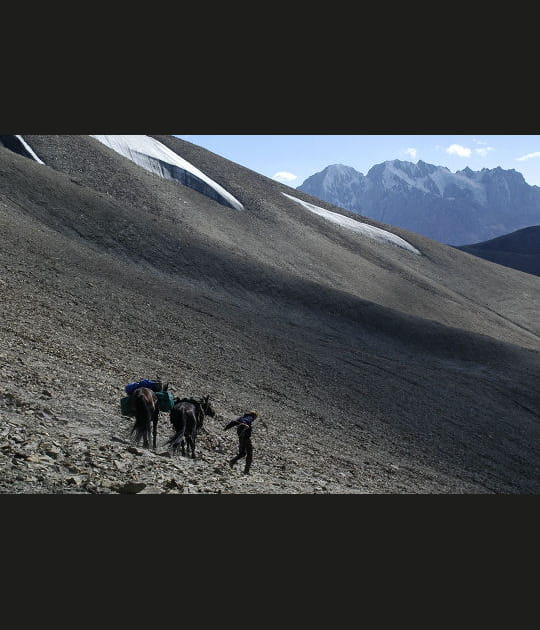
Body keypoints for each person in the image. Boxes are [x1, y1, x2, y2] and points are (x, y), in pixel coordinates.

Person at [224, 410, 259, 475]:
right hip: (245, 437)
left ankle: (232, 461)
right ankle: (246, 471)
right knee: (249, 454)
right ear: (254, 415)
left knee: (242, 453)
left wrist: (226, 428)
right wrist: (245, 424)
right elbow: (245, 421)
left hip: (241, 437)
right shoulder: (250, 417)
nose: (254, 419)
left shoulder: (242, 417)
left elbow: (233, 422)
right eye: (255, 417)